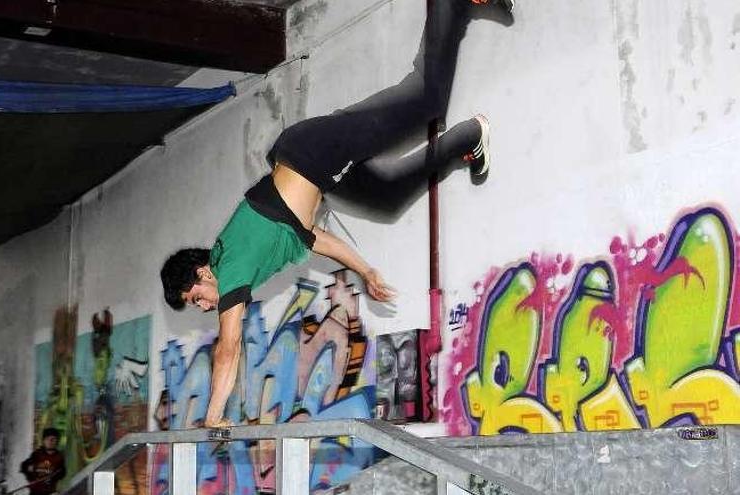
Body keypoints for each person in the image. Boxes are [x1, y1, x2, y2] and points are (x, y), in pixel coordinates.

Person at [160, 0, 515, 428]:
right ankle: (467, 139)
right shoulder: (252, 253)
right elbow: (314, 239)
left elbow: (228, 346)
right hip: (316, 164)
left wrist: (213, 415)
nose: (203, 307)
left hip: (315, 153)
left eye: (196, 298)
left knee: (425, 97)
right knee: (384, 200)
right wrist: (365, 271)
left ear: (202, 275)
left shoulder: (231, 268)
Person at [19, 428, 66, 495]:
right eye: (47, 439)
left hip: (49, 491)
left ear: (57, 441)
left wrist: (55, 474)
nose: (50, 442)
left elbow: (62, 473)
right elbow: (24, 466)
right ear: (44, 441)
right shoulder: (37, 454)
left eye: (52, 439)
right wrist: (28, 469)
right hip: (35, 491)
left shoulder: (59, 457)